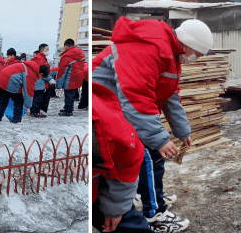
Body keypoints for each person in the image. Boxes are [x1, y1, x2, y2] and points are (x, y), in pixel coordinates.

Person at [93, 18, 212, 232]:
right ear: (189, 44)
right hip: (106, 104)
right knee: (146, 155)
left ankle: (150, 195)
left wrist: (182, 131)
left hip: (121, 105)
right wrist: (159, 139)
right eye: (198, 54)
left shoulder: (170, 54)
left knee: (154, 155)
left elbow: (169, 95)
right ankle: (154, 212)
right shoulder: (149, 46)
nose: (196, 59)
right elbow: (135, 96)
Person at [92, 80, 151, 233]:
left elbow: (129, 154)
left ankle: (153, 209)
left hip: (106, 182)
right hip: (98, 176)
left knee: (120, 223)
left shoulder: (105, 127)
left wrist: (115, 207)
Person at [0, 57, 39, 123]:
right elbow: (28, 90)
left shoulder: (22, 65)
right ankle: (16, 120)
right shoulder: (31, 72)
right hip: (11, 81)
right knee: (19, 101)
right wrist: (28, 106)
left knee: (2, 101)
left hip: (1, 80)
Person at [56, 38, 86, 116]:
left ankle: (68, 110)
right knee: (72, 94)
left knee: (68, 95)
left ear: (65, 46)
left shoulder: (66, 56)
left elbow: (62, 71)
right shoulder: (80, 54)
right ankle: (67, 108)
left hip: (70, 79)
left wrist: (59, 83)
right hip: (78, 77)